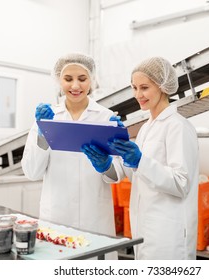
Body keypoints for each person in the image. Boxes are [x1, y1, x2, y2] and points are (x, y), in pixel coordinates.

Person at [83, 57, 199, 260]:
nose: (138, 95)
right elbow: (132, 171)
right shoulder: (146, 128)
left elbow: (181, 183)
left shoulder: (178, 126)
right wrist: (106, 162)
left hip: (168, 234)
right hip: (144, 228)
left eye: (144, 87)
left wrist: (140, 160)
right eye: (134, 87)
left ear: (163, 87)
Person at [21, 53, 121, 259]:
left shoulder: (105, 117)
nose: (75, 86)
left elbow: (117, 174)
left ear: (91, 80)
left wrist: (106, 164)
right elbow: (31, 171)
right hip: (57, 215)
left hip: (94, 217)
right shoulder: (47, 118)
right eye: (68, 79)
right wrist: (42, 135)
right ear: (59, 80)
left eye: (82, 79)